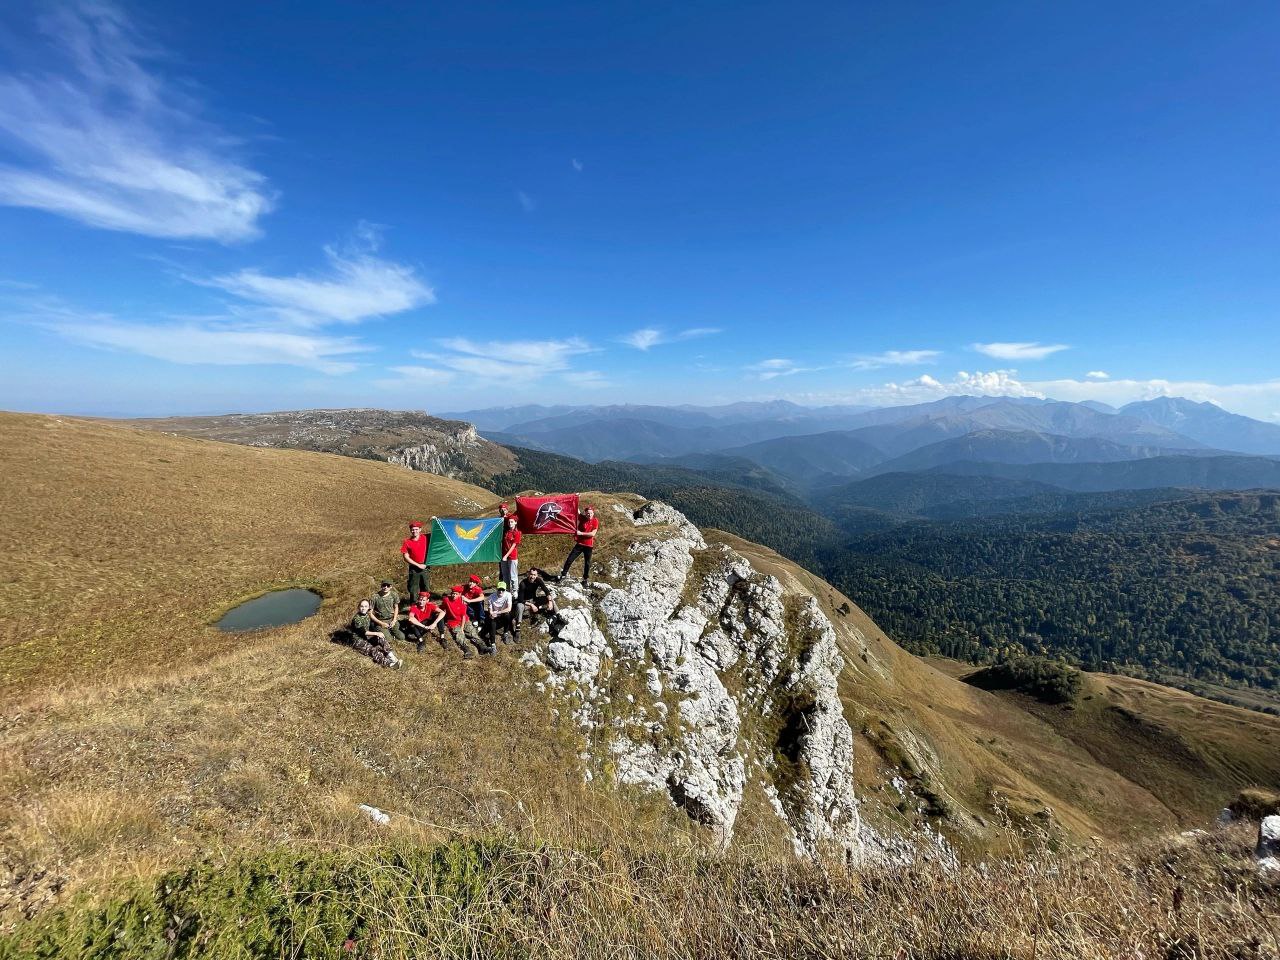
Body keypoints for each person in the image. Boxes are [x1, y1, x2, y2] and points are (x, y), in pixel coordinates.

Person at [441, 584, 493, 659]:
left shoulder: (462, 601)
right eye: (453, 593)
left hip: (464, 620)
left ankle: (482, 647)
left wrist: (462, 628)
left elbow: (463, 616)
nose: (453, 595)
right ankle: (467, 650)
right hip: (453, 622)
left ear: (459, 594)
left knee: (472, 632)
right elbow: (442, 608)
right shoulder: (446, 600)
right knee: (459, 635)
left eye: (456, 594)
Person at [348, 599, 401, 668]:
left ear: (368, 608)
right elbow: (364, 632)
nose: (363, 608)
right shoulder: (357, 619)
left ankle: (391, 656)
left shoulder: (367, 615)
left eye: (365, 606)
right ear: (358, 607)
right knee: (373, 650)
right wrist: (376, 633)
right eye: (361, 606)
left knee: (380, 637)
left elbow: (371, 626)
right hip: (357, 641)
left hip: (366, 638)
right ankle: (390, 664)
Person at [558, 504, 599, 583]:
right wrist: (576, 498)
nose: (589, 515)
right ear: (585, 513)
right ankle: (563, 575)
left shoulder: (595, 521)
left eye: (590, 513)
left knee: (587, 563)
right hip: (580, 544)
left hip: (588, 545)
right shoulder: (582, 518)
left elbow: (593, 534)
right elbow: (577, 510)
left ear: (593, 513)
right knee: (570, 559)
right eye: (587, 513)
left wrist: (581, 533)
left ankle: (585, 579)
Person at [516, 567, 556, 632]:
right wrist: (531, 605)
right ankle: (518, 626)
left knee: (551, 599)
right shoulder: (523, 583)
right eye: (531, 574)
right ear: (528, 574)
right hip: (526, 602)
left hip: (534, 600)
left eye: (534, 575)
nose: (532, 577)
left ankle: (557, 614)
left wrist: (550, 601)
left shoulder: (538, 580)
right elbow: (520, 599)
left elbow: (546, 591)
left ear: (537, 575)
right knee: (519, 606)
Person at [401, 521, 430, 604]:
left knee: (425, 586)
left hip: (425, 566)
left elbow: (437, 532)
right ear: (410, 530)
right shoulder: (407, 542)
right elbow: (406, 557)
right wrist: (418, 565)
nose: (415, 531)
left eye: (416, 529)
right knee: (413, 588)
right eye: (413, 530)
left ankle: (425, 605)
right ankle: (414, 605)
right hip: (414, 568)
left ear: (420, 529)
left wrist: (433, 520)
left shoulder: (426, 538)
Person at [488, 580, 515, 645]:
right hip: (495, 615)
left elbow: (509, 608)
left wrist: (498, 612)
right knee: (492, 622)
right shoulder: (491, 597)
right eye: (499, 589)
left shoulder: (508, 595)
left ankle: (505, 633)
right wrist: (491, 614)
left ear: (505, 590)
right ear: (497, 589)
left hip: (502, 613)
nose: (501, 591)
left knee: (508, 615)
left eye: (503, 590)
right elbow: (490, 609)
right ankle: (493, 644)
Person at [499, 516, 521, 590]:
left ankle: (515, 591)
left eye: (512, 522)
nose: (510, 523)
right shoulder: (506, 532)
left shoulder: (517, 533)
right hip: (503, 556)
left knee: (513, 575)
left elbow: (514, 546)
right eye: (509, 522)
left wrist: (506, 556)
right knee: (505, 574)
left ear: (515, 522)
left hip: (512, 556)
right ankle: (507, 589)